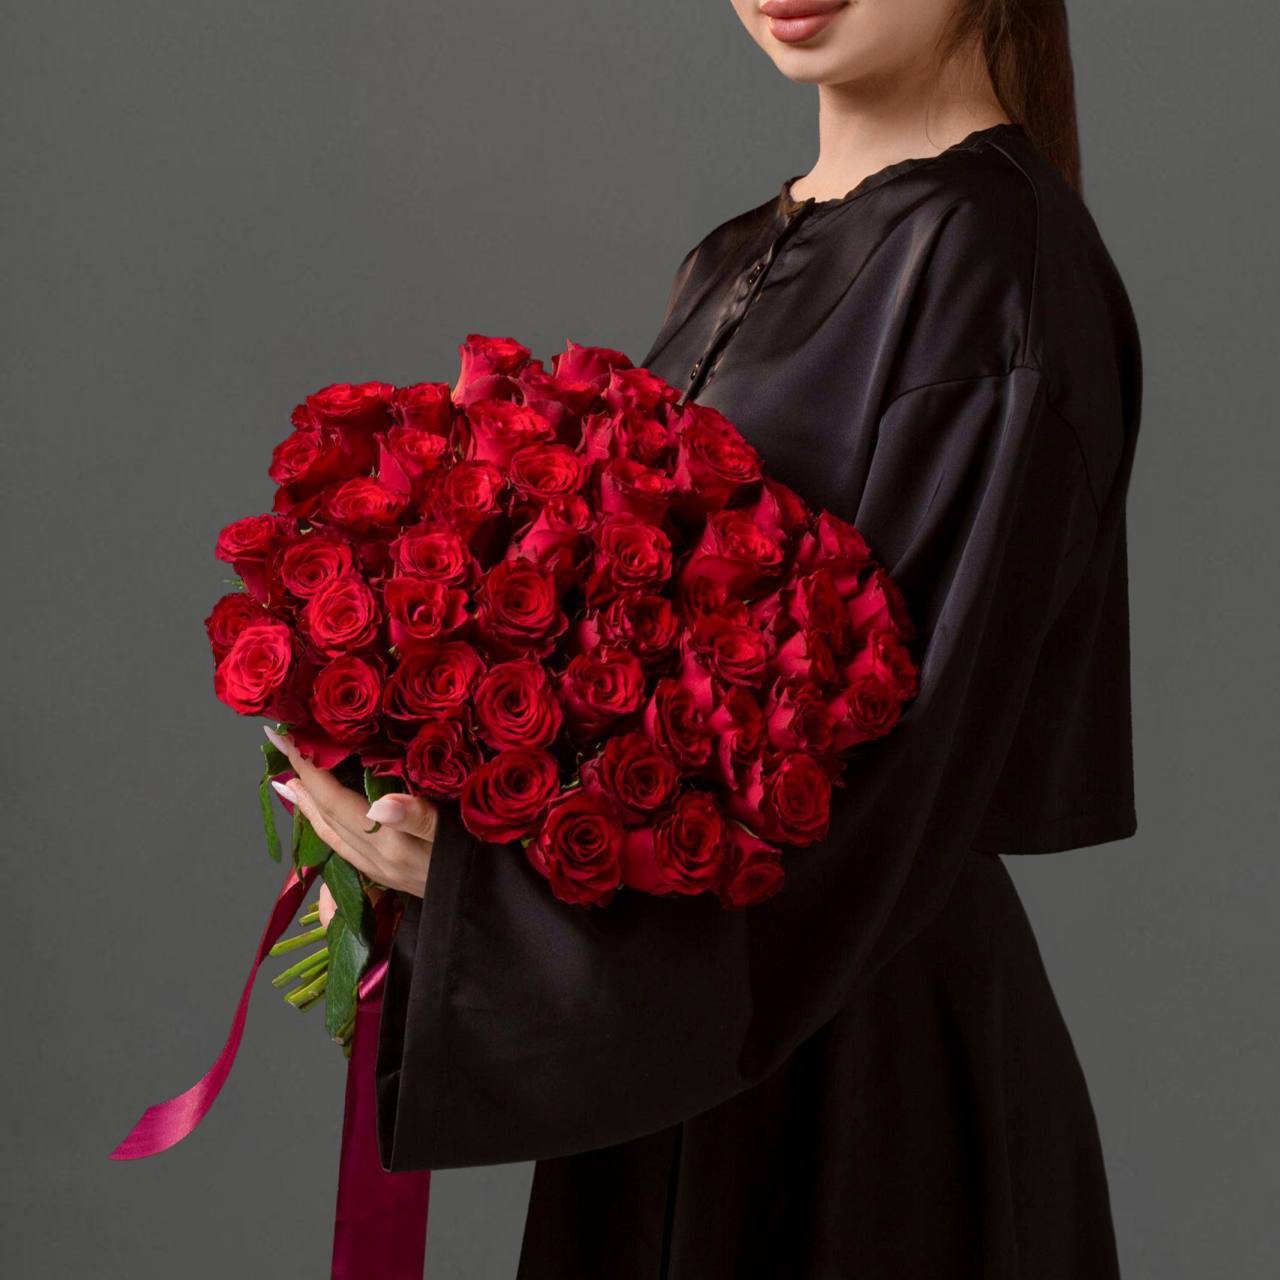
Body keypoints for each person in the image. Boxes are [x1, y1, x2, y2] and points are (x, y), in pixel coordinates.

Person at [271, 0, 1142, 1274]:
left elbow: (900, 793)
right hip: (702, 1064)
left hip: (858, 1087)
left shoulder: (991, 261)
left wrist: (484, 893)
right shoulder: (736, 249)